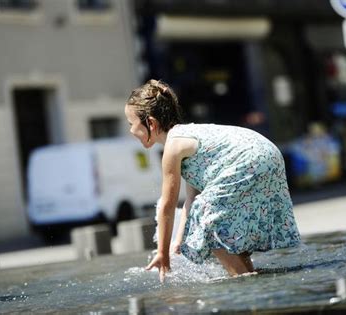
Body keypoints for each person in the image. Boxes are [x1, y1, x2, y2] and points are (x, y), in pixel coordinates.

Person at [124, 79, 301, 282]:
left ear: (152, 123)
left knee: (209, 223)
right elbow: (191, 200)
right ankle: (252, 278)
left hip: (250, 159)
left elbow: (167, 205)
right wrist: (178, 242)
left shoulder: (173, 147)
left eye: (132, 124)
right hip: (267, 154)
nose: (130, 131)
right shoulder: (188, 136)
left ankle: (244, 283)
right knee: (221, 229)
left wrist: (162, 253)